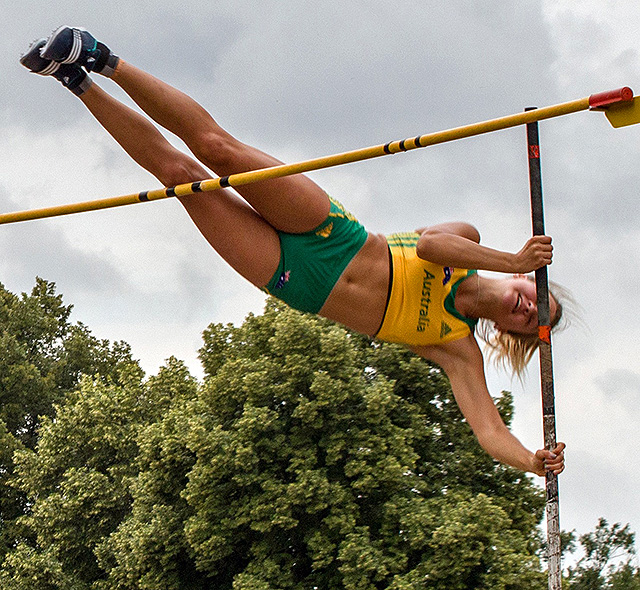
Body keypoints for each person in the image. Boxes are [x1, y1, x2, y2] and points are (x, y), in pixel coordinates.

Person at [21, 26, 566, 477]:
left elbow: (490, 432)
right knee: (215, 148)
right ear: (525, 283)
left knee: (181, 177)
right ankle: (99, 56)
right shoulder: (469, 243)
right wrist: (513, 261)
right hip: (330, 233)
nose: (527, 306)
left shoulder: (456, 348)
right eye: (535, 297)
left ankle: (73, 79)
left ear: (518, 335)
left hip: (292, 279)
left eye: (534, 319)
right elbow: (428, 244)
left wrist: (532, 462)